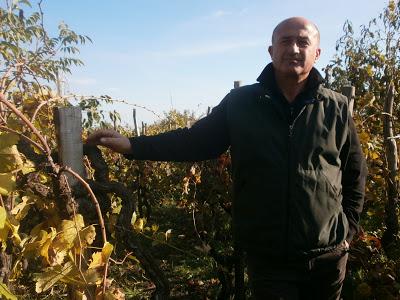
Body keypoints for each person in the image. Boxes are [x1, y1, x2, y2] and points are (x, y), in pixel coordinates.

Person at [87, 17, 367, 300]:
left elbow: (355, 173)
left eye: (303, 42)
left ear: (316, 53)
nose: (293, 48)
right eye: (285, 41)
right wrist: (133, 145)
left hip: (328, 257)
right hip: (269, 257)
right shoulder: (242, 103)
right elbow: (194, 141)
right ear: (271, 51)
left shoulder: (336, 107)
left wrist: (347, 231)